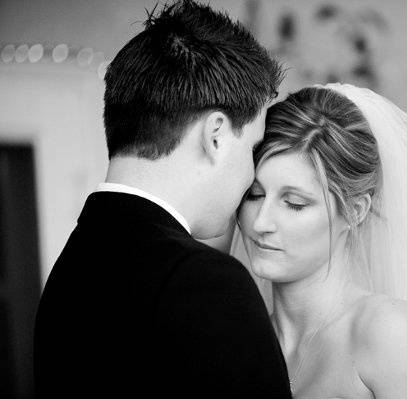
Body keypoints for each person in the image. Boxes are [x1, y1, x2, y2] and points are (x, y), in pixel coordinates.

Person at [34, 1, 291, 397]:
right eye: (252, 149)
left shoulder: (71, 269)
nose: (249, 177)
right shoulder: (205, 282)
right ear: (216, 134)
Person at [232, 84, 407, 398]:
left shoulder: (386, 333)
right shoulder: (240, 343)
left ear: (355, 210)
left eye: (295, 203)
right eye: (254, 195)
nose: (260, 222)